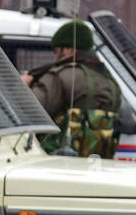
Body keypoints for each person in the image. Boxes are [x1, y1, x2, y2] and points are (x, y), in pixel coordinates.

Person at [22, 19, 120, 158]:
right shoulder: (110, 82)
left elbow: (31, 113)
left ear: (68, 49)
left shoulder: (59, 76)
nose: (56, 56)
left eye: (57, 51)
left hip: (58, 163)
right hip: (97, 166)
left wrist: (23, 87)